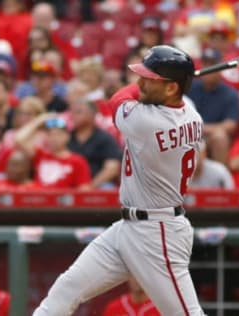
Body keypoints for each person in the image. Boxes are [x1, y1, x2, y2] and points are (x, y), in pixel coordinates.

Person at [33, 45, 205, 315]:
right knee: (67, 288)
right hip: (130, 228)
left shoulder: (148, 122)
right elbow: (148, 95)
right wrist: (164, 82)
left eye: (149, 79)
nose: (140, 83)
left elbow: (118, 98)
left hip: (157, 232)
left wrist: (159, 85)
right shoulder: (192, 115)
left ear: (171, 88)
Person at [188, 47, 239, 165]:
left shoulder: (229, 93)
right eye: (205, 63)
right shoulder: (190, 88)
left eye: (212, 64)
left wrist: (203, 129)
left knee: (220, 137)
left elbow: (231, 125)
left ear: (220, 67)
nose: (209, 68)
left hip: (209, 136)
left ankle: (222, 181)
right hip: (190, 135)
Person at [16, 115, 91, 190]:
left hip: (62, 200)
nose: (54, 138)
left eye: (58, 134)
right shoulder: (41, 155)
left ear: (67, 136)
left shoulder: (78, 161)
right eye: (50, 134)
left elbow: (83, 190)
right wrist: (40, 120)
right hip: (39, 198)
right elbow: (19, 139)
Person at [68, 99, 121, 189]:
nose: (73, 116)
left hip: (96, 184)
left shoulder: (105, 138)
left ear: (92, 115)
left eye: (78, 112)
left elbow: (112, 168)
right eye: (72, 112)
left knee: (108, 188)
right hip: (68, 182)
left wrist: (90, 186)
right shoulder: (67, 137)